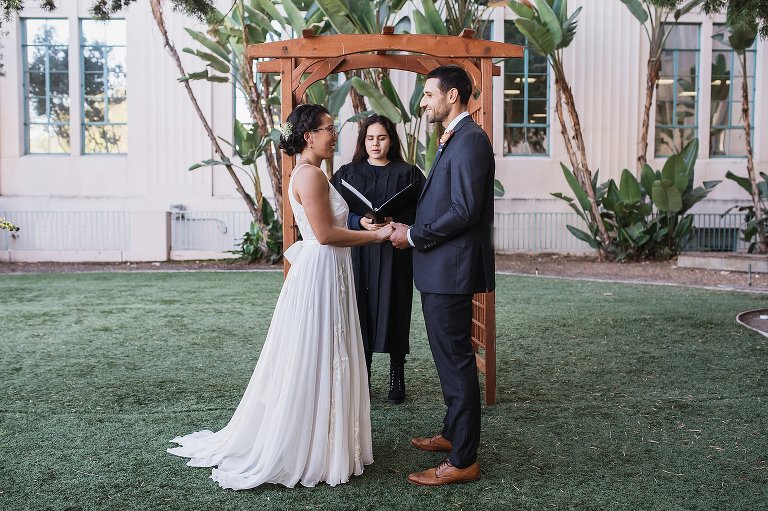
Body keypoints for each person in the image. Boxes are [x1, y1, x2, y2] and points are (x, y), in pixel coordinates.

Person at [168, 104, 393, 489]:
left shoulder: (312, 173)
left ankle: (327, 441)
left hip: (330, 270)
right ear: (308, 136)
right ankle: (311, 446)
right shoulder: (310, 176)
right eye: (327, 128)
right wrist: (375, 236)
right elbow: (323, 235)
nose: (333, 134)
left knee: (326, 352)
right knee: (318, 353)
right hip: (323, 269)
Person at [390, 65, 496, 486]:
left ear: (452, 96)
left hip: (449, 269)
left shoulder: (470, 139)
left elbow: (466, 210)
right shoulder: (455, 138)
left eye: (428, 95)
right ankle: (453, 435)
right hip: (440, 269)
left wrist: (414, 234)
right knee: (448, 359)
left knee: (456, 363)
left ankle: (464, 460)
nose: (423, 102)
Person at [330, 114, 425, 405]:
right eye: (370, 138)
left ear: (391, 140)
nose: (375, 144)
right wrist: (359, 220)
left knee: (396, 308)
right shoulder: (348, 173)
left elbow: (423, 209)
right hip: (360, 250)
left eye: (381, 138)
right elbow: (335, 209)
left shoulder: (408, 173)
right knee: (360, 311)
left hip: (394, 251)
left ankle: (397, 374)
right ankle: (364, 375)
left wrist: (397, 220)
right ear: (363, 141)